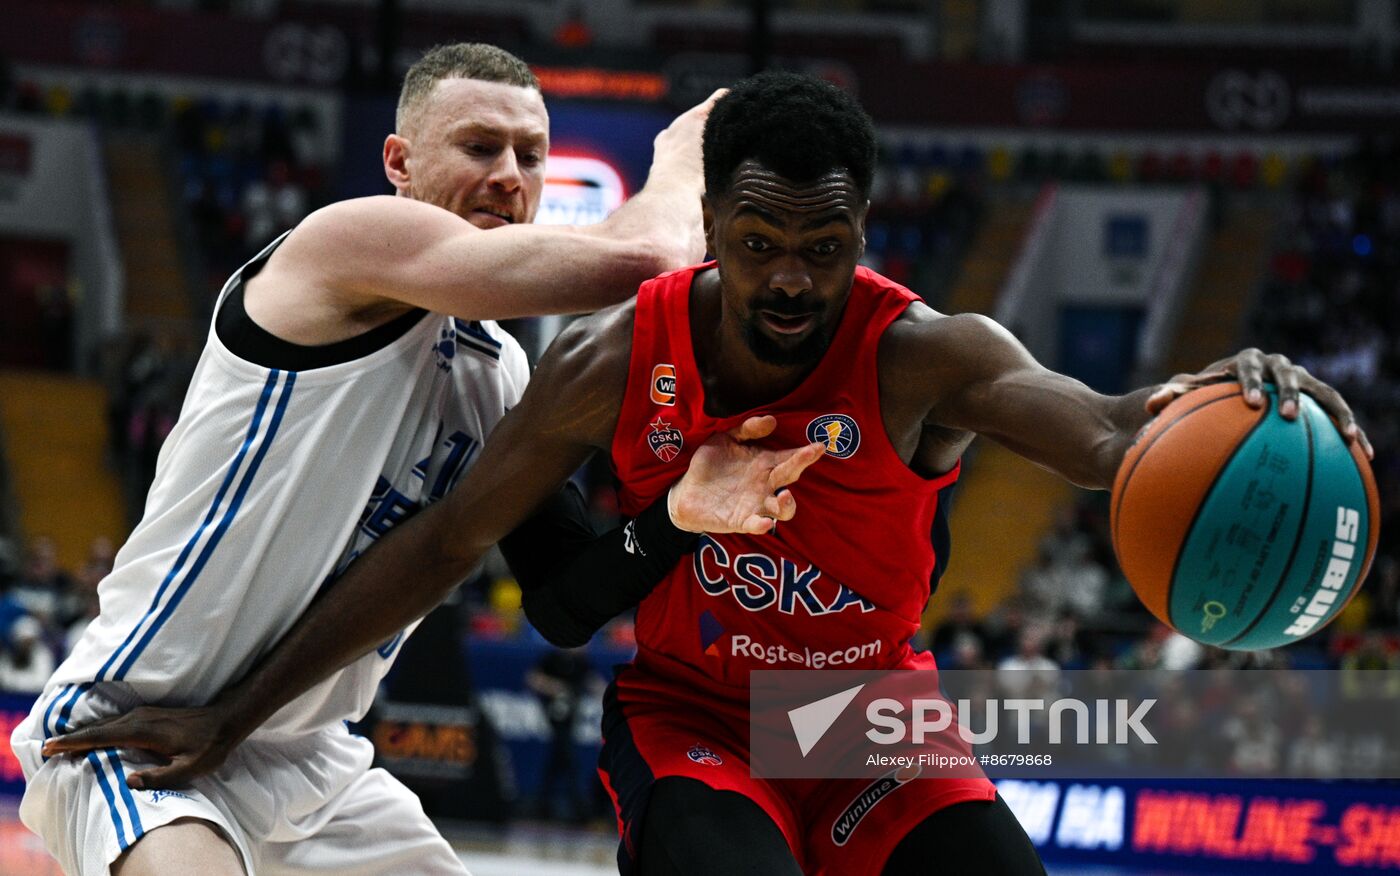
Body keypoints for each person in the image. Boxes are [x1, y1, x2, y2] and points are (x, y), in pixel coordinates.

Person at [47, 72, 1373, 875]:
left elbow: (1103, 434)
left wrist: (1231, 398)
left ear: (866, 233)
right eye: (758, 242)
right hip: (694, 706)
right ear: (715, 239)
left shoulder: (928, 356)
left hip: (870, 714)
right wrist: (678, 522)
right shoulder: (607, 363)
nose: (792, 277)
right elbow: (461, 555)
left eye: (825, 244)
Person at [16, 43, 823, 876]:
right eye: (480, 147)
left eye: (530, 156)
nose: (511, 175)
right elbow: (648, 261)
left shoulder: (502, 374)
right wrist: (684, 159)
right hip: (133, 724)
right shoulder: (345, 244)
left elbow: (549, 595)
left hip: (307, 756)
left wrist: (678, 518)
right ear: (399, 162)